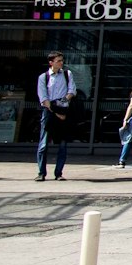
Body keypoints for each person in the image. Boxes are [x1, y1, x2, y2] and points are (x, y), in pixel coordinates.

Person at [35, 51, 76, 182]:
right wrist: (56, 111)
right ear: (51, 62)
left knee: (63, 145)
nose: (61, 63)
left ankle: (58, 173)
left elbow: (71, 91)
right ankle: (41, 172)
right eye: (58, 61)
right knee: (43, 144)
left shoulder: (67, 74)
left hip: (63, 109)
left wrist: (63, 104)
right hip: (50, 111)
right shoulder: (44, 77)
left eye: (62, 60)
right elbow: (44, 98)